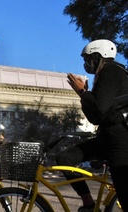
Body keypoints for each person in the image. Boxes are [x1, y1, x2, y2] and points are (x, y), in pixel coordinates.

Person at [56, 39, 128, 212]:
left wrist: (83, 92)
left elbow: (99, 112)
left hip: (120, 141)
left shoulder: (111, 71)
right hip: (105, 139)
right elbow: (95, 117)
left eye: (88, 59)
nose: (86, 64)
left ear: (98, 56)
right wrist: (85, 94)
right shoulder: (102, 76)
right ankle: (88, 204)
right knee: (64, 159)